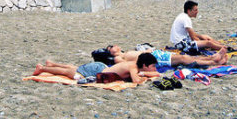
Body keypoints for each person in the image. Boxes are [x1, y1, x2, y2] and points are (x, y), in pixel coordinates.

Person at [32, 52, 160, 84]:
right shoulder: (133, 67)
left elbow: (156, 74)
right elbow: (137, 81)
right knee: (70, 73)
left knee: (77, 68)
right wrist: (145, 75)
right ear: (144, 65)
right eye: (153, 66)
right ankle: (42, 69)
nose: (154, 69)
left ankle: (52, 63)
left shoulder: (134, 65)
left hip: (101, 67)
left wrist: (147, 73)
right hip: (98, 70)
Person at [107, 44, 230, 68]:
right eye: (111, 47)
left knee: (186, 57)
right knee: (183, 59)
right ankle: (212, 62)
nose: (114, 46)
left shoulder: (125, 53)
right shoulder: (118, 58)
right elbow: (128, 65)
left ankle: (212, 58)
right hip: (153, 59)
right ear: (110, 52)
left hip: (154, 54)